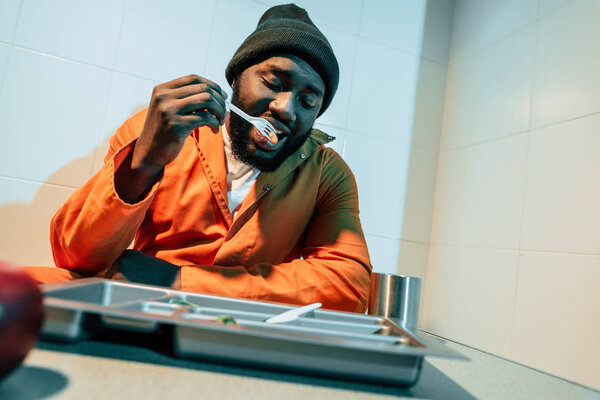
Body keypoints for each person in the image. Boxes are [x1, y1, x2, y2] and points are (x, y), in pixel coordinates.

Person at [26, 4, 372, 312]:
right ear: (237, 78)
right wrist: (144, 162)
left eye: (308, 102)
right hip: (142, 313)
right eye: (272, 82)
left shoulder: (328, 173)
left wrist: (179, 282)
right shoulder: (160, 130)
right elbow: (76, 256)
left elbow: (349, 286)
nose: (286, 107)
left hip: (245, 331)